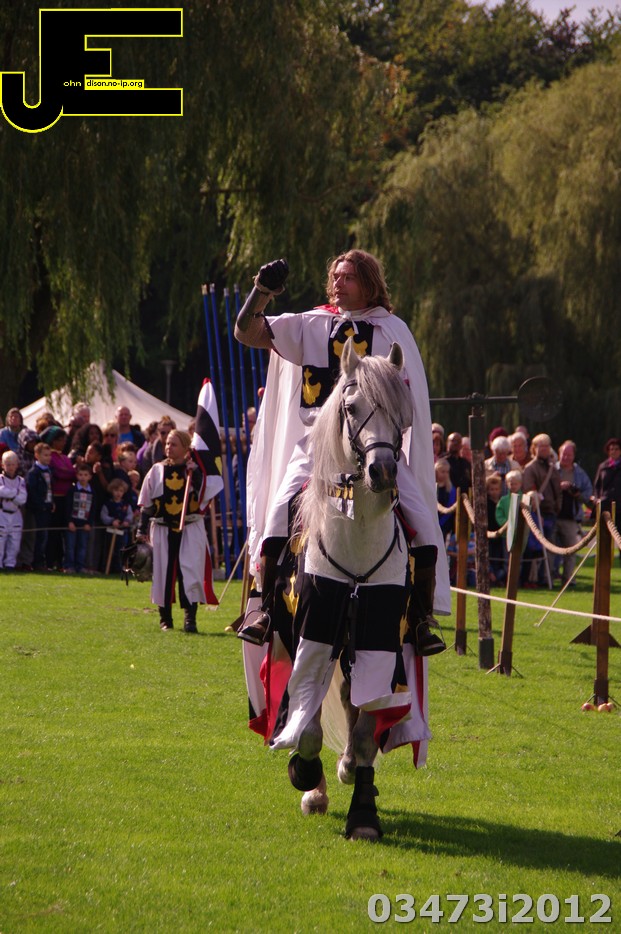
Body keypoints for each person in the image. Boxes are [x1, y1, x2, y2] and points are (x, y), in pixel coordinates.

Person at [234, 250, 450, 653]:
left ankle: (420, 619)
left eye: (348, 276)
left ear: (369, 283)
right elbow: (247, 333)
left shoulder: (392, 331)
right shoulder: (311, 323)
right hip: (317, 445)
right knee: (279, 512)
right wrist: (261, 292)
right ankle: (264, 608)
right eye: (335, 275)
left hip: (373, 447)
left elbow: (408, 407)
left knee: (422, 520)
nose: (338, 283)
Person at [137, 429, 212, 633]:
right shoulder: (156, 471)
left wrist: (196, 474)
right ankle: (165, 619)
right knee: (163, 573)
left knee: (190, 571)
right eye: (168, 443)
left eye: (174, 444)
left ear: (186, 448)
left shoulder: (195, 471)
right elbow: (147, 503)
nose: (169, 447)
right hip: (163, 528)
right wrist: (141, 529)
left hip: (190, 527)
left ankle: (190, 619)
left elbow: (205, 496)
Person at [522, 433, 561, 586]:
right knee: (535, 548)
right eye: (541, 446)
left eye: (547, 446)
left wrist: (557, 507)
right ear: (534, 448)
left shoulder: (553, 468)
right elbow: (529, 491)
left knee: (550, 547)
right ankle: (533, 578)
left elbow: (558, 491)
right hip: (537, 513)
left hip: (551, 512)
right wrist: (535, 513)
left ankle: (546, 577)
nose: (544, 449)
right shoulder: (530, 468)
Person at [553, 440, 592, 587]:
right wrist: (559, 487)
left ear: (574, 456)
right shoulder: (552, 470)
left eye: (569, 455)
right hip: (552, 515)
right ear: (559, 454)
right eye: (564, 454)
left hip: (571, 518)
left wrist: (576, 493)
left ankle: (568, 580)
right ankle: (548, 578)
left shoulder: (580, 473)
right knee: (549, 550)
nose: (566, 457)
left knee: (571, 550)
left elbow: (588, 494)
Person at [40, 425, 76, 569]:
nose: (63, 443)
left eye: (64, 440)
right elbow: (59, 473)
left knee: (63, 532)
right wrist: (68, 473)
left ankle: (61, 562)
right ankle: (50, 562)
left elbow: (72, 474)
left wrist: (67, 473)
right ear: (53, 441)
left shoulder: (65, 458)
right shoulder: (52, 457)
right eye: (60, 440)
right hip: (55, 498)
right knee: (53, 532)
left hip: (66, 499)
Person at [26, 442, 54, 571]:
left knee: (45, 536)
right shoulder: (34, 472)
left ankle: (43, 561)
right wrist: (41, 505)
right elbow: (32, 492)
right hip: (38, 509)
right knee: (39, 536)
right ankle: (36, 563)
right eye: (45, 455)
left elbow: (50, 489)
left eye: (49, 455)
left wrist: (52, 502)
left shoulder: (49, 470)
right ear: (37, 455)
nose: (48, 458)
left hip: (47, 507)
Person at [64, 463, 96, 574]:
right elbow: (67, 507)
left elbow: (93, 509)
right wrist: (69, 521)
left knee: (82, 546)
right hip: (73, 523)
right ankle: (69, 566)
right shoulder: (72, 490)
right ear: (77, 475)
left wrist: (89, 523)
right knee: (70, 546)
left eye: (86, 475)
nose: (83, 477)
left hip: (84, 524)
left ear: (90, 476)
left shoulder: (92, 492)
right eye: (80, 474)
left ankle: (80, 566)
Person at [0, 451, 27, 569]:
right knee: (0, 541)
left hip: (16, 514)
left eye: (13, 464)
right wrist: (15, 493)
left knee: (15, 542)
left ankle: (10, 564)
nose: (10, 467)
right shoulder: (1, 479)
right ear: (3, 465)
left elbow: (23, 498)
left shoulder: (21, 480)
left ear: (17, 465)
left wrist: (9, 495)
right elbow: (1, 491)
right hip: (2, 513)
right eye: (8, 464)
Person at [100, 479, 133, 572]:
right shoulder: (108, 504)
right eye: (116, 490)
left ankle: (120, 568)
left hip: (123, 532)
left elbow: (130, 514)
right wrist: (112, 521)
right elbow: (103, 516)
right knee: (109, 550)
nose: (118, 493)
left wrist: (127, 521)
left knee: (122, 550)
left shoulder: (126, 505)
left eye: (121, 491)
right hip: (110, 531)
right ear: (112, 491)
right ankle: (107, 569)